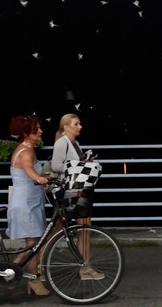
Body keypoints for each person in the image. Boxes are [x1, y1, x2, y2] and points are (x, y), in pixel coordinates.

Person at [51, 113, 104, 280]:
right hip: (71, 191)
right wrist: (78, 166)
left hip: (78, 189)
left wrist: (84, 162)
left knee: (80, 227)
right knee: (76, 228)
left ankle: (84, 266)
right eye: (76, 124)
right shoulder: (62, 143)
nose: (80, 126)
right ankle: (84, 268)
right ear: (66, 126)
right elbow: (55, 166)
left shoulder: (75, 143)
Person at [7, 115, 51, 296]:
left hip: (30, 201)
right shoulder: (26, 151)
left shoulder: (27, 148)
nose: (40, 131)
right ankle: (29, 278)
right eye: (36, 129)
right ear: (26, 133)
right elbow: (28, 169)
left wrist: (46, 177)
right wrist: (39, 178)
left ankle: (17, 271)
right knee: (34, 243)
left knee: (35, 242)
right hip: (26, 204)